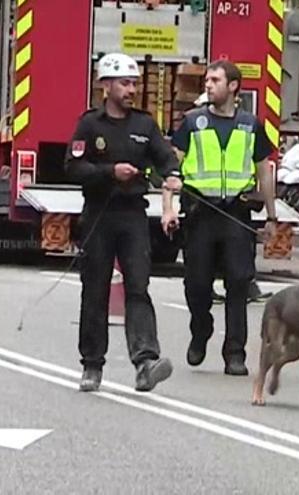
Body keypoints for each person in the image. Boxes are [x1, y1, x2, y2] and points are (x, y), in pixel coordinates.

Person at [64, 53, 180, 392]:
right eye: (125, 83)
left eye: (134, 83)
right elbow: (72, 167)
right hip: (99, 214)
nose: (131, 90)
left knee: (138, 287)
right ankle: (92, 364)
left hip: (132, 215)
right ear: (107, 85)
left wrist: (172, 175)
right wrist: (108, 172)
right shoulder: (90, 125)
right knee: (95, 289)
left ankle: (146, 361)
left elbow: (165, 158)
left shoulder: (144, 125)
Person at [164, 60, 277, 376]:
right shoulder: (192, 122)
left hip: (236, 214)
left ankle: (235, 354)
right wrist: (169, 206)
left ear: (233, 86)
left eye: (215, 80)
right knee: (197, 284)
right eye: (206, 80)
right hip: (201, 214)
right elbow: (173, 171)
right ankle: (201, 329)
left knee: (239, 282)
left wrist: (271, 217)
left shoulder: (251, 125)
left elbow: (264, 171)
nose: (208, 85)